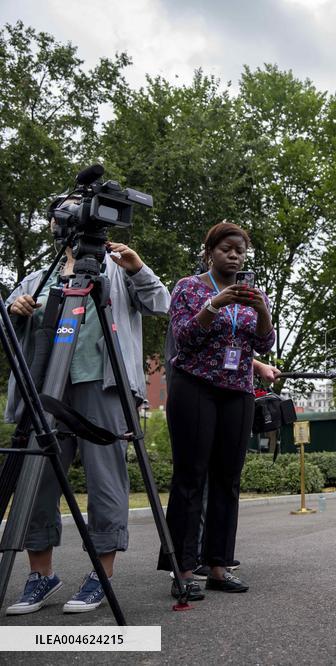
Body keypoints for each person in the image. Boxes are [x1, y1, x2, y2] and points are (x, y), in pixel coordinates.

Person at [4, 199, 169, 615]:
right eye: (64, 216)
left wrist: (137, 267)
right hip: (46, 389)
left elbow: (161, 304)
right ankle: (41, 574)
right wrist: (14, 309)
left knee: (104, 478)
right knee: (36, 478)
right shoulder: (36, 280)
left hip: (103, 382)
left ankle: (101, 573)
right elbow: (8, 325)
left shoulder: (116, 269)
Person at [157, 221, 275, 600]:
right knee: (191, 478)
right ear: (210, 252)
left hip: (237, 391)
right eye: (227, 248)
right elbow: (185, 338)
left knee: (228, 479)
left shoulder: (255, 294)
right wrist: (214, 305)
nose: (235, 255)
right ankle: (184, 570)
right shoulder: (189, 287)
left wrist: (261, 312)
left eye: (240, 250)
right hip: (194, 387)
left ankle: (220, 568)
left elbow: (264, 343)